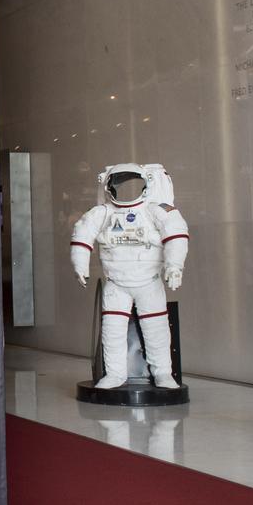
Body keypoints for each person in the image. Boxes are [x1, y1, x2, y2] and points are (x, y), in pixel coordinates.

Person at [70, 163, 189, 390]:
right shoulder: (103, 213)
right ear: (109, 187)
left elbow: (176, 233)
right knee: (112, 330)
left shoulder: (154, 210)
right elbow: (83, 233)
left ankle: (163, 373)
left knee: (156, 329)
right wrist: (79, 263)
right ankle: (115, 374)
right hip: (117, 283)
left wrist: (174, 266)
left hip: (149, 281)